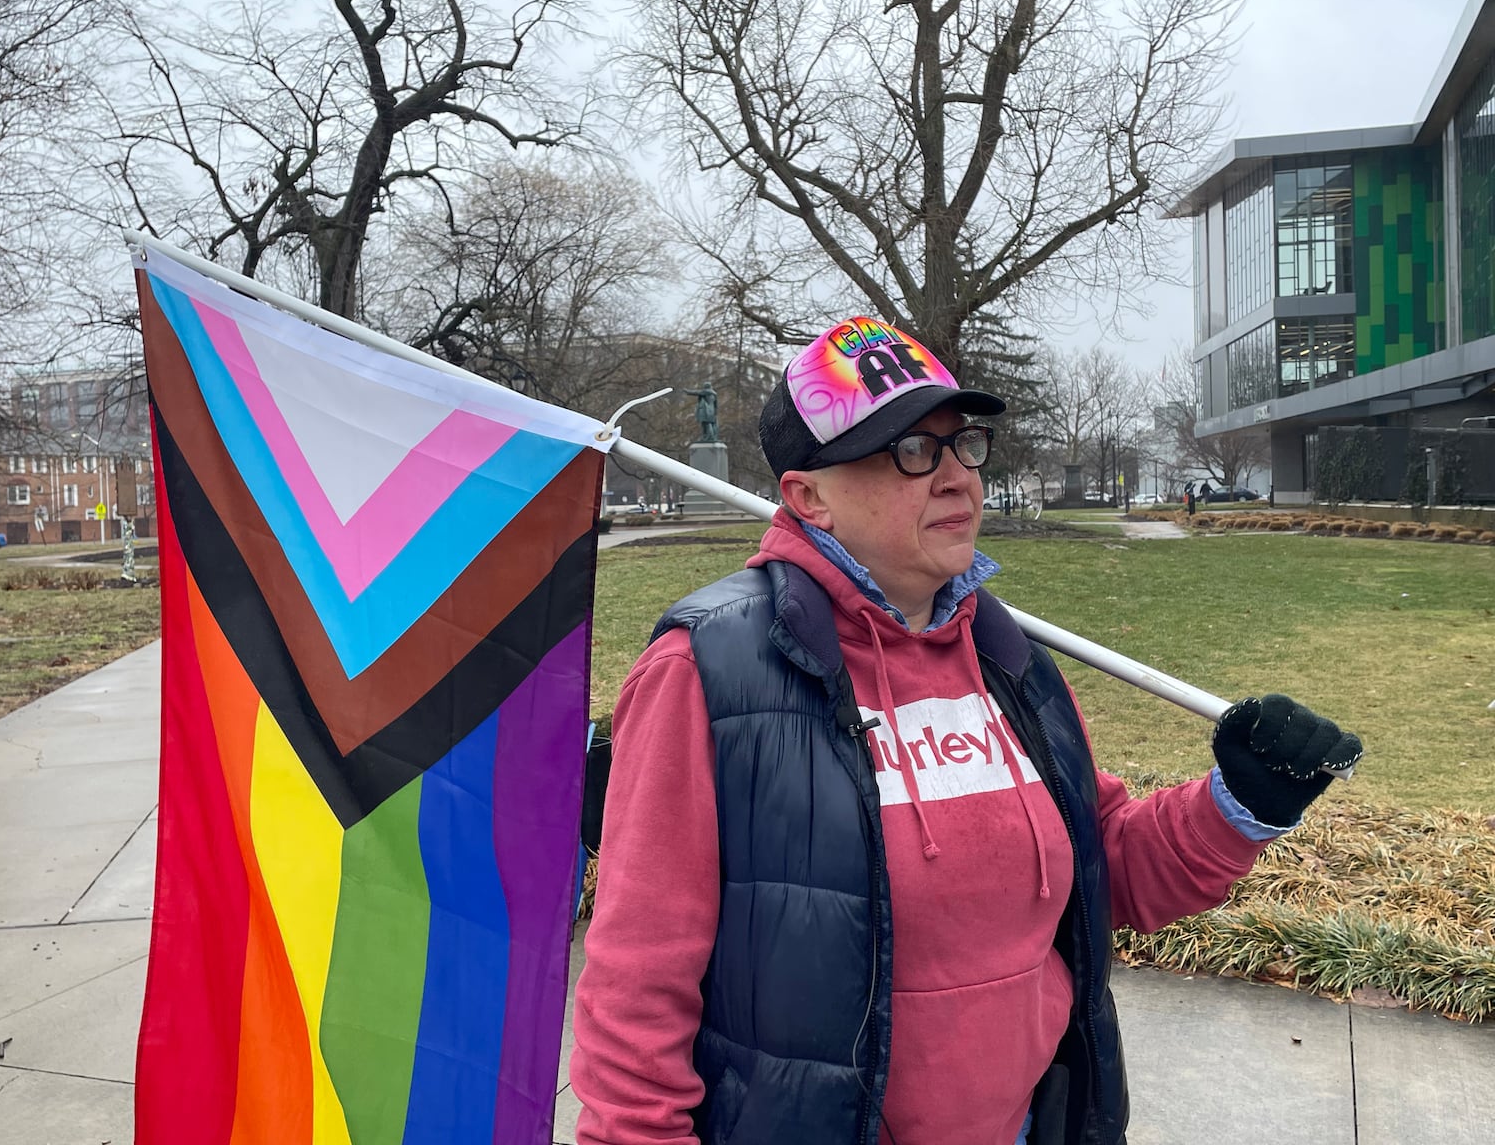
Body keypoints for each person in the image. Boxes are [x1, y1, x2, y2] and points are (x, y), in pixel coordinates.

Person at [571, 317, 1363, 1145]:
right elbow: (638, 987)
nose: (955, 478)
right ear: (810, 498)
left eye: (961, 444)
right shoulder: (707, 671)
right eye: (910, 451)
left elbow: (1107, 872)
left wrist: (1240, 804)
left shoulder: (1009, 658)